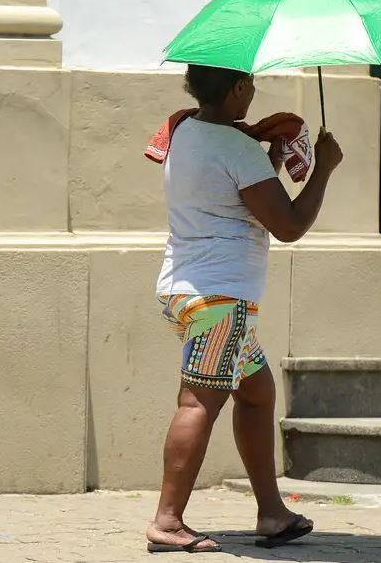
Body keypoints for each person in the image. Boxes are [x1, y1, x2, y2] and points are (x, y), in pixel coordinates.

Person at [146, 64, 343, 553]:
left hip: (187, 289)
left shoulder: (184, 129)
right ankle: (167, 522)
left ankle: (272, 513)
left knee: (255, 393)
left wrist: (270, 160)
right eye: (250, 82)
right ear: (237, 88)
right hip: (221, 299)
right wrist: (324, 168)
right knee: (199, 401)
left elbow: (231, 198)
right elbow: (289, 225)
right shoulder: (236, 146)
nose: (254, 90)